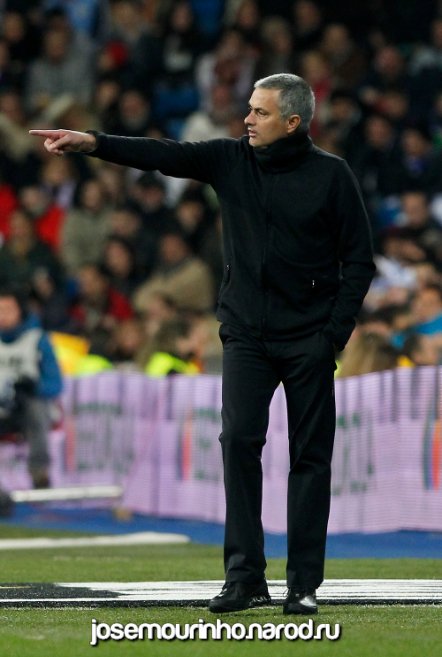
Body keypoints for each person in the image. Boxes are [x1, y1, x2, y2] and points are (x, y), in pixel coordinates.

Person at [30, 72, 375, 615]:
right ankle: (245, 578)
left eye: (260, 112)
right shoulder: (231, 159)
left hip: (308, 339)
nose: (247, 119)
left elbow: (359, 261)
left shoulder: (332, 175)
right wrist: (93, 142)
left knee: (311, 457)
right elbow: (164, 154)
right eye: (249, 108)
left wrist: (331, 336)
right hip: (246, 335)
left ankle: (303, 583)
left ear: (293, 122)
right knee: (237, 442)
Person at [0, 285, 63, 488]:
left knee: (36, 407)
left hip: (29, 409)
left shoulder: (37, 340)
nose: (2, 316)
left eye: (8, 310)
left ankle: (39, 473)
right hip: (2, 408)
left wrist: (33, 386)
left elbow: (56, 384)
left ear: (20, 311)